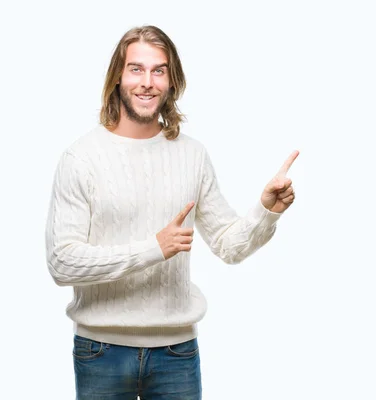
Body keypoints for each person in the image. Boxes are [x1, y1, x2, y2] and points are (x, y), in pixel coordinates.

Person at [44, 25, 298, 399]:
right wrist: (153, 248)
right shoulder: (81, 158)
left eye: (158, 70)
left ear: (171, 80)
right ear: (118, 76)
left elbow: (230, 246)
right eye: (136, 69)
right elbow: (61, 263)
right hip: (101, 352)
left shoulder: (191, 155)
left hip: (177, 353)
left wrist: (266, 212)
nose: (147, 82)